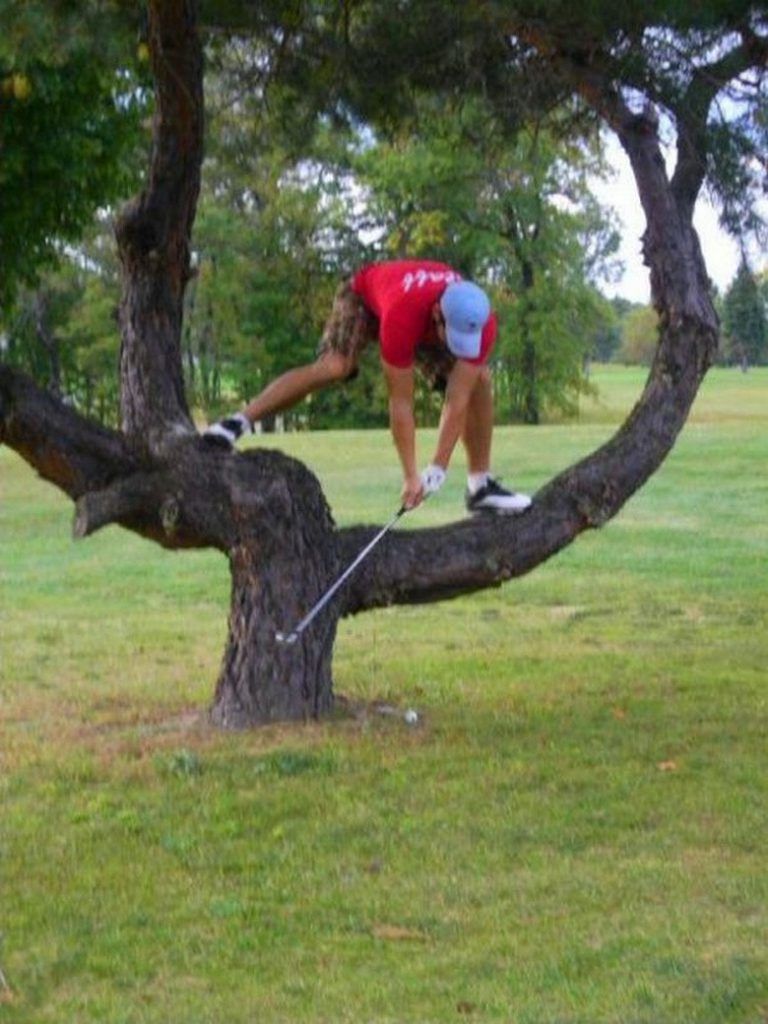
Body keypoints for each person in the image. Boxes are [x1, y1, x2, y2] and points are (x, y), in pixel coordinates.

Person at [204, 259, 532, 514]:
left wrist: (438, 466)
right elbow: (401, 405)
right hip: (365, 295)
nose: (460, 348)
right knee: (335, 366)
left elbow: (457, 398)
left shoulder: (481, 323)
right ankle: (237, 422)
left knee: (481, 381)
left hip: (420, 315)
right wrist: (411, 477)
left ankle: (480, 488)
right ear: (437, 316)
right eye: (454, 339)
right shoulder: (403, 316)